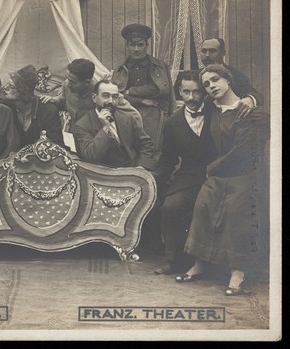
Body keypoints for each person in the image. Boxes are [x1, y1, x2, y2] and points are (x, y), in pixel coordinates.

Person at [176, 64, 269, 296]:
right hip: (219, 175)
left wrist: (211, 168)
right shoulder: (212, 109)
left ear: (228, 79)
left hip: (243, 175)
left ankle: (238, 273)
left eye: (215, 80)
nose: (211, 86)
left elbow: (244, 150)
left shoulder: (249, 112)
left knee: (237, 216)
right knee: (203, 207)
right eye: (206, 84)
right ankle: (199, 264)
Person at [152, 71, 218, 275]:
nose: (191, 98)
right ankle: (175, 261)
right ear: (179, 91)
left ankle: (215, 263)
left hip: (218, 174)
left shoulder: (216, 114)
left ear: (204, 93)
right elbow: (168, 158)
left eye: (196, 92)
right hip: (189, 177)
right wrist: (152, 181)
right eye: (186, 92)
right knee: (171, 207)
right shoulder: (172, 123)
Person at [112, 23, 176, 157]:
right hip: (127, 115)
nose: (136, 49)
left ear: (147, 45)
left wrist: (131, 91)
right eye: (132, 45)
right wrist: (142, 100)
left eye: (140, 45)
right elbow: (116, 96)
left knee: (153, 151)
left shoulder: (159, 67)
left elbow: (163, 91)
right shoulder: (120, 70)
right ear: (127, 46)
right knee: (130, 151)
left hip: (155, 116)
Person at [73, 79, 155, 170]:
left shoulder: (127, 117)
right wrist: (105, 128)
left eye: (114, 97)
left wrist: (142, 166)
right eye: (105, 96)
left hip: (132, 170)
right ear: (94, 98)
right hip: (103, 174)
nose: (111, 101)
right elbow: (90, 157)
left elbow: (146, 144)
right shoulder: (82, 125)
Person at [2, 64, 64, 148]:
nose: (6, 88)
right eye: (7, 84)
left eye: (12, 86)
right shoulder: (6, 107)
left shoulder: (48, 111)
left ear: (23, 91)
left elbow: (56, 145)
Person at [199, 37, 263, 117]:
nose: (207, 55)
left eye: (212, 51)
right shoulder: (196, 76)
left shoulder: (235, 74)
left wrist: (250, 99)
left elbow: (255, 94)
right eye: (204, 51)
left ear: (222, 53)